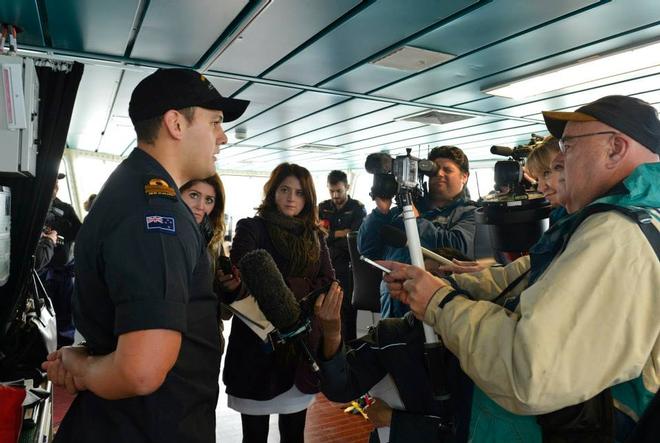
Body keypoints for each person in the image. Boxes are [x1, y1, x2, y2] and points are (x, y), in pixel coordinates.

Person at [382, 95, 660, 442]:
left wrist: (440, 303)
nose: (559, 158)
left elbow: (528, 370)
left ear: (615, 148)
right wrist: (455, 283)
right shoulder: (628, 219)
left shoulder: (616, 235)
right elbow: (532, 273)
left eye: (568, 145)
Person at [41, 68, 249, 443]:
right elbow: (141, 370)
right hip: (150, 427)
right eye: (215, 122)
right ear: (176, 124)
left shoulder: (134, 190)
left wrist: (85, 356)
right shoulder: (157, 216)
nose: (223, 136)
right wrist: (85, 367)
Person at [314, 248, 480, 443]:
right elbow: (341, 387)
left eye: (438, 279)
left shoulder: (483, 345)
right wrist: (332, 334)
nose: (425, 288)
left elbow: (470, 429)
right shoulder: (393, 336)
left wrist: (397, 421)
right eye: (422, 279)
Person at [223, 162, 335, 443]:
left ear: (308, 199)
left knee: (295, 433)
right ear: (273, 192)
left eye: (299, 193)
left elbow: (329, 281)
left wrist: (281, 287)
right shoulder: (252, 227)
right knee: (254, 436)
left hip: (300, 348)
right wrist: (299, 289)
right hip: (257, 346)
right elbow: (243, 269)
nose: (291, 198)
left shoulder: (315, 236)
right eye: (285, 189)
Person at [358, 145, 476, 318]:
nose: (439, 174)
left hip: (436, 309)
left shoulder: (471, 213)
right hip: (393, 304)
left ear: (464, 177)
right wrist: (380, 212)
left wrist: (415, 220)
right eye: (435, 170)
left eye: (447, 170)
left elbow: (456, 248)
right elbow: (367, 250)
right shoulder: (400, 211)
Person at [180, 173, 233, 354]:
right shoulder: (163, 234)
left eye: (209, 200)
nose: (200, 206)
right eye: (194, 195)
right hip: (174, 337)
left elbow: (224, 310)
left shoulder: (213, 240)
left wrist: (228, 287)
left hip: (209, 337)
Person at [318, 170, 366, 341]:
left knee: (348, 311)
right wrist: (339, 234)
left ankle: (351, 351)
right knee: (325, 309)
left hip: (348, 268)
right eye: (331, 191)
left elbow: (354, 240)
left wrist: (330, 236)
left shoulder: (357, 209)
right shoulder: (323, 207)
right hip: (325, 267)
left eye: (339, 190)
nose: (335, 195)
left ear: (347, 187)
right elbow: (317, 236)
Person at [40, 173, 82, 346]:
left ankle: (65, 350)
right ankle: (45, 353)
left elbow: (81, 233)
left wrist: (65, 228)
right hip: (43, 272)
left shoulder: (66, 209)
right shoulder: (36, 208)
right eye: (53, 181)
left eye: (57, 183)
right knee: (44, 316)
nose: (56, 185)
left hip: (65, 273)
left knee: (66, 315)